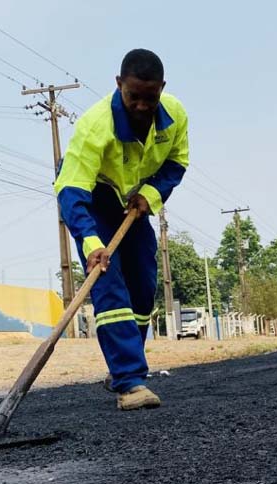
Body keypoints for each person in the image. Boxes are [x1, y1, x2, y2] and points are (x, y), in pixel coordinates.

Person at [54, 49, 189, 410]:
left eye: (151, 97)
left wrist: (152, 193)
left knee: (144, 286)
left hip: (132, 200)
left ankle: (127, 368)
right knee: (109, 284)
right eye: (134, 97)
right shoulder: (95, 126)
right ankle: (129, 383)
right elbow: (71, 191)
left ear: (162, 88)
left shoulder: (174, 115)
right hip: (93, 198)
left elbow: (177, 162)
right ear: (118, 85)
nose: (143, 106)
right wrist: (91, 242)